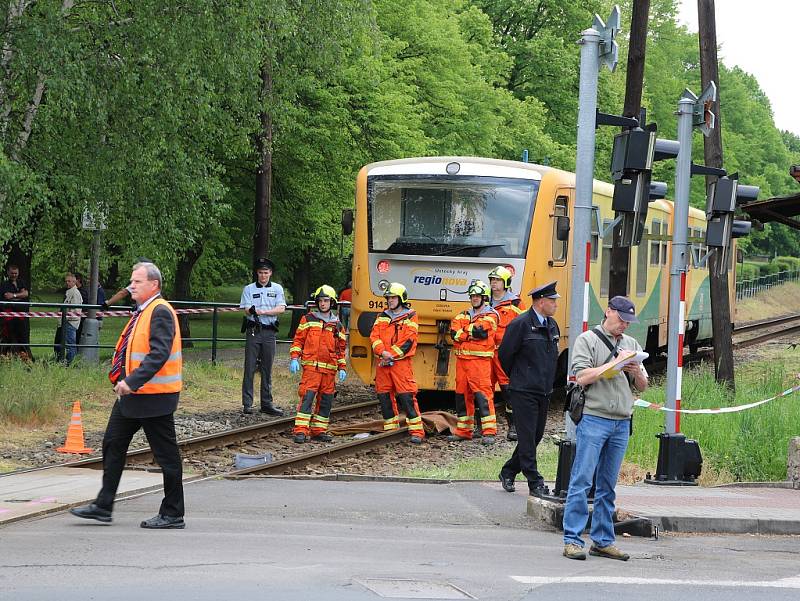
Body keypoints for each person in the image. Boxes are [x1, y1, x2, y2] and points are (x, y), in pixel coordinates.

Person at [70, 261, 186, 529]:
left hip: (154, 396)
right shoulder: (142, 311)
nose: (131, 286)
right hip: (134, 395)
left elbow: (159, 353)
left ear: (153, 285)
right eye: (131, 281)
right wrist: (127, 382)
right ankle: (103, 506)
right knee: (112, 443)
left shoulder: (160, 312)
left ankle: (173, 513)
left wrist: (131, 381)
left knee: (166, 456)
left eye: (137, 282)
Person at [562, 296, 649, 561]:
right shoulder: (587, 340)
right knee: (582, 480)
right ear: (608, 312)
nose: (624, 325)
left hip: (621, 421)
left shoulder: (631, 344)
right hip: (594, 418)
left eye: (628, 321)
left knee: (608, 485)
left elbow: (643, 385)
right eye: (621, 319)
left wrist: (635, 371)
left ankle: (602, 540)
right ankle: (572, 540)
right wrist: (613, 365)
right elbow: (582, 376)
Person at [497, 281, 561, 496]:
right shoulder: (520, 324)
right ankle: (535, 481)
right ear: (541, 302)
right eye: (552, 301)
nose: (555, 305)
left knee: (535, 436)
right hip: (523, 389)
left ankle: (508, 470)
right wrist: (519, 376)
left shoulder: (552, 325)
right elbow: (505, 355)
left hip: (543, 390)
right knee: (526, 437)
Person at [289, 285, 347, 443]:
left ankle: (318, 430)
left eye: (326, 300)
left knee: (326, 401)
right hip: (312, 369)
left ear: (332, 302)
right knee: (307, 398)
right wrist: (294, 357)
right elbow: (298, 340)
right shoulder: (308, 319)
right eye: (320, 301)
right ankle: (300, 430)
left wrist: (342, 367)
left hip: (329, 371)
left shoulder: (338, 325)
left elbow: (341, 350)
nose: (323, 304)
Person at [369, 282, 425, 443]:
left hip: (400, 365)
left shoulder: (410, 316)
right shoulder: (381, 317)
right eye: (388, 298)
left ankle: (417, 431)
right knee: (384, 396)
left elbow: (408, 341)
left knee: (407, 397)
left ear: (401, 298)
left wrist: (390, 355)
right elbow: (374, 337)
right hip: (383, 364)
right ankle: (390, 430)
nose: (390, 300)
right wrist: (382, 352)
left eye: (393, 297)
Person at [449, 280, 499, 444]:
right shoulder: (463, 315)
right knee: (462, 396)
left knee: (483, 396)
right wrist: (468, 333)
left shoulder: (491, 315)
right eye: (472, 296)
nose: (474, 298)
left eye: (477, 296)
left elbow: (481, 331)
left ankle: (489, 431)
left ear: (484, 297)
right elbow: (454, 334)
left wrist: (464, 333)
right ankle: (464, 431)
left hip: (479, 363)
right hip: (462, 362)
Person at [240, 258, 285, 416]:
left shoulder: (278, 288)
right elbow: (246, 308)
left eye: (266, 272)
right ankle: (247, 403)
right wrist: (253, 311)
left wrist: (264, 312)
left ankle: (266, 403)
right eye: (260, 273)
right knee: (250, 367)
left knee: (267, 368)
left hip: (269, 331)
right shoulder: (249, 289)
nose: (263, 276)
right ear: (257, 273)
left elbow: (281, 308)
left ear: (270, 273)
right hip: (254, 330)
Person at [487, 266, 525, 441]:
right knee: (484, 390)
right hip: (486, 353)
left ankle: (514, 427)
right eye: (492, 280)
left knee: (508, 390)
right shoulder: (484, 301)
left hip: (505, 354)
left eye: (497, 280)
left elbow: (524, 326)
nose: (494, 283)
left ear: (506, 283)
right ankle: (486, 428)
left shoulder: (515, 304)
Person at [0, 264, 32, 359]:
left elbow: (25, 294)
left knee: (23, 337)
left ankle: (25, 356)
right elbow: (7, 297)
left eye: (16, 273)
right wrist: (20, 296)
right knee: (9, 338)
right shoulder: (4, 285)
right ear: (8, 273)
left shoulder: (21, 282)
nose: (14, 275)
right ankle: (6, 357)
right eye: (12, 273)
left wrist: (14, 296)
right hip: (9, 319)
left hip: (22, 317)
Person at [60, 272, 83, 364]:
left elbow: (76, 311)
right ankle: (69, 362)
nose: (67, 283)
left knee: (70, 344)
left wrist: (66, 317)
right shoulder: (70, 292)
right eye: (66, 281)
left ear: (74, 282)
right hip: (68, 322)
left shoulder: (75, 293)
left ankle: (70, 363)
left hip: (71, 323)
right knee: (68, 344)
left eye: (69, 281)